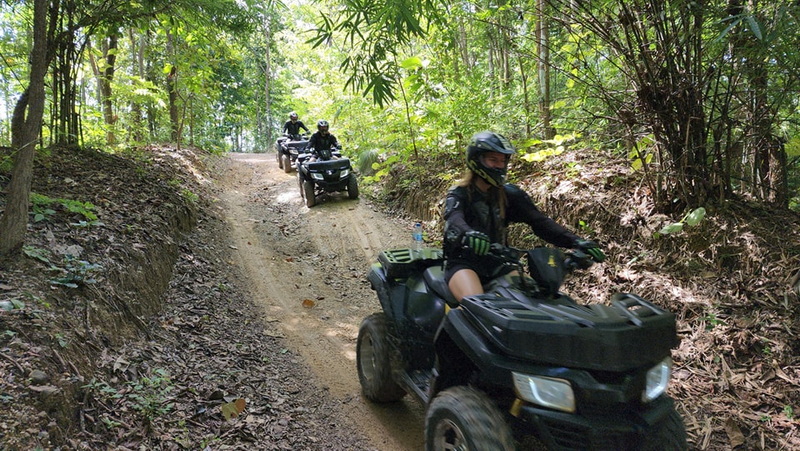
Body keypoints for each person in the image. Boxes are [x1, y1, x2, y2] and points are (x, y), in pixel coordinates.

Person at [443, 131, 605, 303]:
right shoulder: (460, 193)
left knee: (535, 301)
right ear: (477, 160)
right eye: (493, 159)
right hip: (464, 263)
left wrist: (576, 242)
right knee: (476, 306)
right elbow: (454, 218)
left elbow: (540, 222)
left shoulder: (509, 195)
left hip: (499, 264)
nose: (499, 165)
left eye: (502, 160)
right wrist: (468, 233)